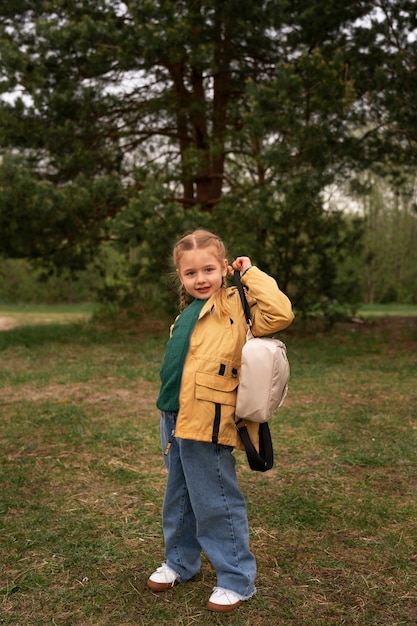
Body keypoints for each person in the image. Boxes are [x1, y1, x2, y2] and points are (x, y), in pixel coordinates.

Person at [147, 229, 294, 613]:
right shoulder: (184, 315)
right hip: (173, 415)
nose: (200, 279)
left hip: (209, 419)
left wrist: (251, 275)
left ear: (224, 269)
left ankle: (235, 578)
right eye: (191, 273)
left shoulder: (236, 305)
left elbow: (281, 313)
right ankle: (181, 562)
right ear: (180, 276)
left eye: (209, 269)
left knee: (216, 499)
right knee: (178, 496)